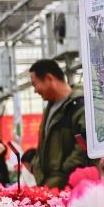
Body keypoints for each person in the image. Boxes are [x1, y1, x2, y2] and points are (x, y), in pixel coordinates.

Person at [28, 59, 91, 189]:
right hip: (51, 185)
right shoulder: (49, 109)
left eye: (35, 84)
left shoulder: (79, 105)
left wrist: (62, 174)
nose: (35, 90)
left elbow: (84, 147)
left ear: (49, 78)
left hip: (69, 186)